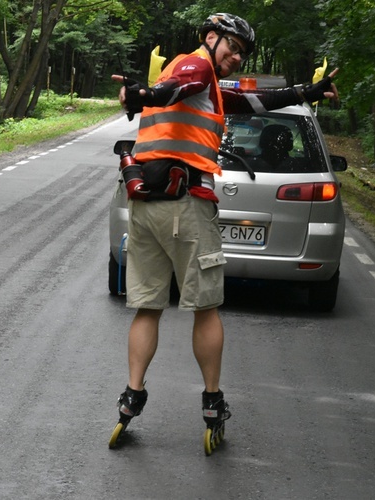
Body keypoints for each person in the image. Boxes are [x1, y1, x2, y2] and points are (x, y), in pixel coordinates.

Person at [109, 12, 339, 451]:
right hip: (186, 206)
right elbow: (178, 87)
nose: (237, 57)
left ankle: (131, 396)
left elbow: (249, 102)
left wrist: (305, 93)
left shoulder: (205, 80)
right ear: (210, 38)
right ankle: (213, 403)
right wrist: (148, 92)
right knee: (206, 306)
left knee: (147, 306)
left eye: (242, 52)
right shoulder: (195, 68)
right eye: (232, 47)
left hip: (146, 205)